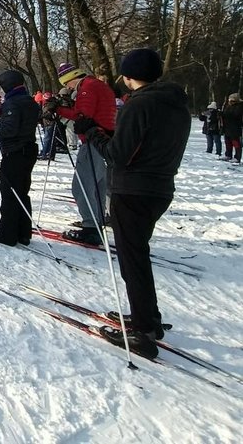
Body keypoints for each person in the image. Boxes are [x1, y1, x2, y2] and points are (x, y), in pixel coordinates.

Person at [75, 49, 191, 358]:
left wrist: (92, 133)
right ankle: (147, 318)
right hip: (159, 187)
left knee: (132, 257)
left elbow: (116, 155)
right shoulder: (175, 103)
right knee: (137, 253)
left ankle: (143, 329)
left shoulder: (137, 105)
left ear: (128, 77)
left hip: (133, 188)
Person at [43, 62, 118, 244]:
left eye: (66, 84)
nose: (67, 87)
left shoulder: (87, 87)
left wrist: (58, 109)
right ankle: (97, 220)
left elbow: (83, 116)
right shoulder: (98, 85)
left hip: (94, 140)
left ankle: (91, 227)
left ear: (71, 79)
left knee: (82, 186)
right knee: (97, 184)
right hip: (105, 138)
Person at [0, 70, 39, 246]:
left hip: (15, 152)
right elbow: (15, 122)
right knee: (22, 192)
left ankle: (7, 234)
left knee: (10, 193)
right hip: (27, 150)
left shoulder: (13, 102)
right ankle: (23, 232)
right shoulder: (28, 100)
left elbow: (9, 130)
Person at [222, 93, 242, 164]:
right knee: (228, 142)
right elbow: (225, 114)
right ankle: (228, 155)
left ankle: (237, 157)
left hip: (235, 128)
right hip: (227, 127)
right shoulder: (228, 106)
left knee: (236, 143)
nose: (229, 102)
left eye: (231, 100)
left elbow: (236, 115)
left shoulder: (239, 107)